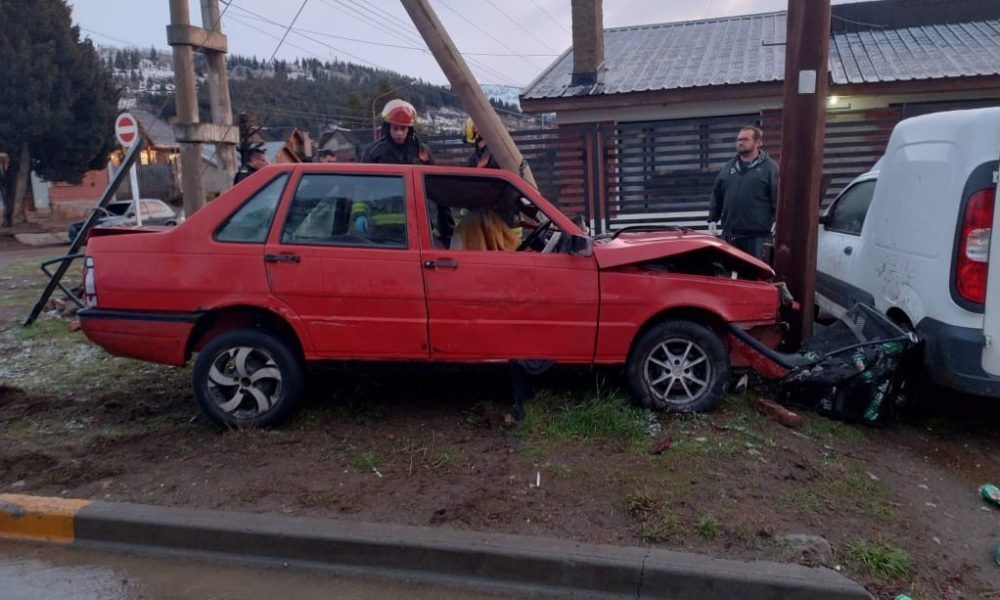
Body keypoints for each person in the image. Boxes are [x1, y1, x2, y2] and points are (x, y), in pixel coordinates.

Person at [707, 125, 779, 261]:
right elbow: (717, 194)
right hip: (731, 235)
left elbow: (778, 198)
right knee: (731, 274)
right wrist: (712, 218)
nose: (740, 142)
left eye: (745, 139)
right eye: (738, 139)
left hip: (758, 237)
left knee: (757, 275)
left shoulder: (770, 169)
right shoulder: (728, 168)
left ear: (758, 143)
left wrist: (778, 222)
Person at [361, 99, 433, 165]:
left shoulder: (421, 149)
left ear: (409, 130)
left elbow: (431, 176)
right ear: (388, 129)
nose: (399, 133)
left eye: (403, 129)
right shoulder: (373, 151)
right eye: (395, 129)